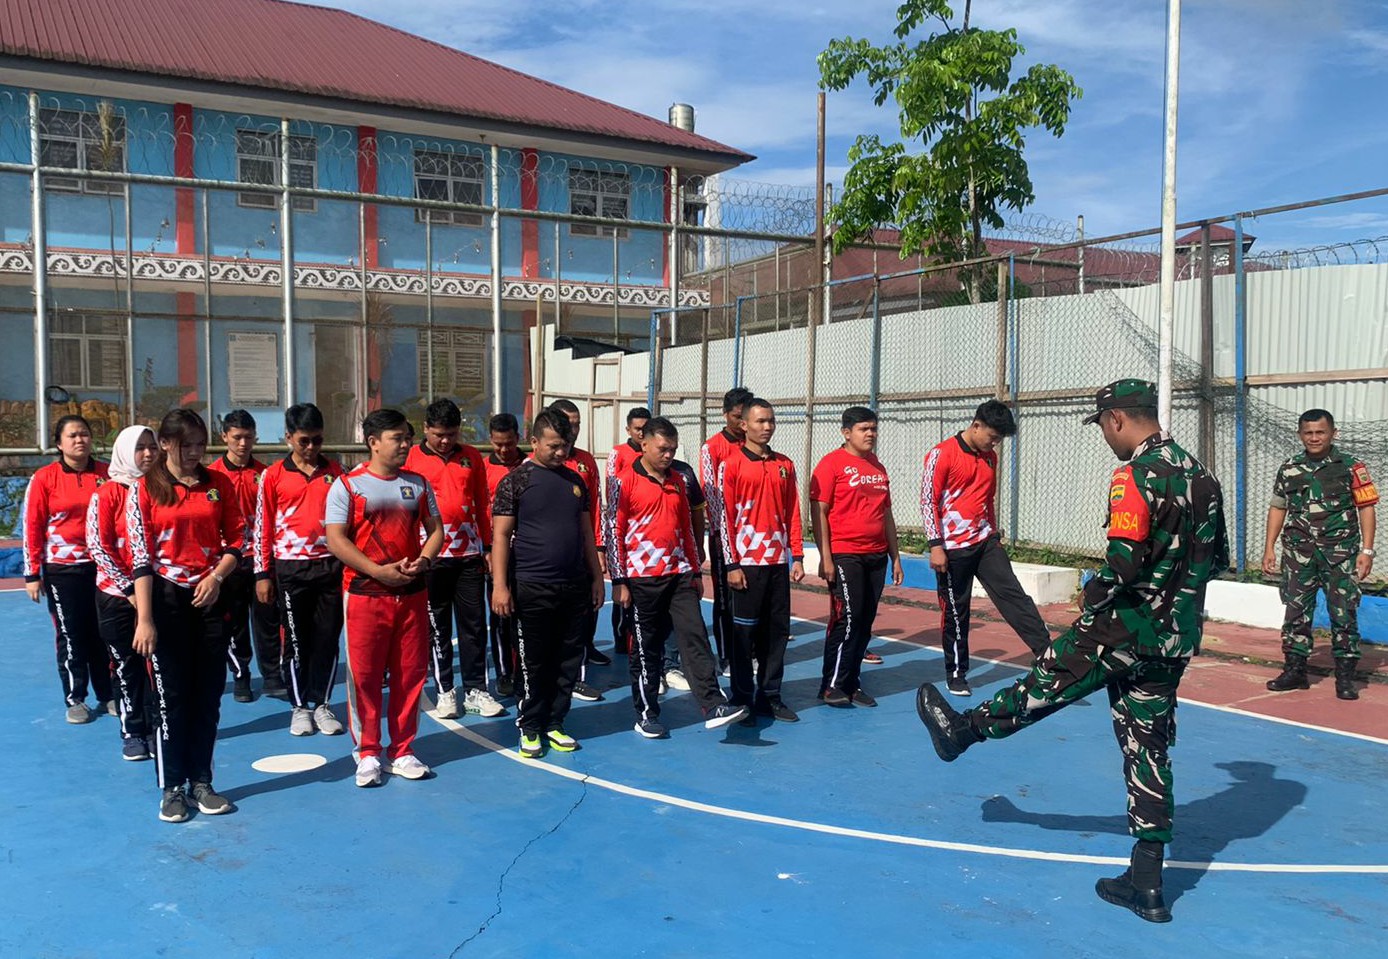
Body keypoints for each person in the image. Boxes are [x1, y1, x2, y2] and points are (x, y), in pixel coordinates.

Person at [914, 379, 1228, 923]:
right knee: (1148, 749)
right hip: (1175, 636)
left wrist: (1094, 595)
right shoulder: (1204, 478)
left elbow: (1124, 563)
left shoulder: (1134, 474)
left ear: (1116, 421)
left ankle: (960, 733)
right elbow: (1216, 558)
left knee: (1044, 686)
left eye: (1104, 427)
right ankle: (1148, 883)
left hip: (1123, 627)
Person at [129, 409, 245, 823]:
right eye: (186, 445)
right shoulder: (145, 489)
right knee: (172, 698)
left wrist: (216, 578)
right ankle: (172, 787)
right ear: (165, 445)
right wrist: (146, 618)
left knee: (208, 697)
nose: (195, 452)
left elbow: (236, 541)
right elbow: (140, 559)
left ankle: (202, 781)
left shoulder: (220, 485)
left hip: (210, 599)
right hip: (166, 601)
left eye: (200, 444)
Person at [607, 416, 748, 738]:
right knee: (647, 649)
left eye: (672, 449)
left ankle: (714, 704)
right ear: (643, 444)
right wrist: (619, 580)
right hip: (641, 579)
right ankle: (646, 713)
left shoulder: (679, 481)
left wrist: (696, 569)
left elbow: (686, 527)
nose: (668, 455)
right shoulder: (623, 482)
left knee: (695, 636)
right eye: (662, 449)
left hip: (680, 574)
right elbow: (613, 532)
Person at [326, 408, 443, 787]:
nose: (406, 445)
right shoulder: (348, 486)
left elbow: (436, 529)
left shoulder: (419, 484)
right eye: (398, 438)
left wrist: (424, 561)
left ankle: (403, 750)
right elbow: (336, 539)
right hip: (365, 594)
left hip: (411, 594)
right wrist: (377, 571)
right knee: (365, 677)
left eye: (408, 438)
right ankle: (368, 752)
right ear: (373, 442)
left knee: (411, 675)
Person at [491, 409, 605, 759]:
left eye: (566, 445)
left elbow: (586, 532)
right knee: (534, 661)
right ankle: (530, 725)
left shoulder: (576, 481)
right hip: (532, 585)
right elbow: (501, 534)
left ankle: (555, 721)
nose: (560, 452)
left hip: (573, 585)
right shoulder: (516, 481)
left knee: (568, 658)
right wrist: (500, 585)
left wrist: (597, 577)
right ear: (535, 442)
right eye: (553, 446)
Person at [920, 399, 1052, 695]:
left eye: (999, 439)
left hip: (985, 541)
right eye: (992, 436)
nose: (995, 443)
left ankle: (1047, 655)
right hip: (952, 548)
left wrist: (993, 531)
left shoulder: (990, 457)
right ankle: (956, 673)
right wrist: (935, 545)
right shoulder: (942, 454)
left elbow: (986, 498)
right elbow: (928, 501)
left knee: (1014, 595)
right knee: (957, 610)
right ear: (976, 425)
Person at [1262, 409, 1378, 700]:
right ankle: (1295, 670)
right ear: (1300, 434)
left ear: (1333, 433)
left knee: (1343, 613)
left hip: (1340, 554)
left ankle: (1346, 677)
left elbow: (1366, 508)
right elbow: (1278, 507)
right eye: (1308, 433)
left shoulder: (1351, 467)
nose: (1314, 438)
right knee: (1296, 612)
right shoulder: (1289, 467)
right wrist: (1269, 547)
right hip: (1299, 554)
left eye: (1320, 432)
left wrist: (1367, 550)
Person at [405, 399, 503, 720]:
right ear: (425, 430)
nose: (446, 440)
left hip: (469, 555)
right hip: (430, 557)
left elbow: (483, 504)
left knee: (474, 625)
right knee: (438, 627)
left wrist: (488, 546)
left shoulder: (471, 456)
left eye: (451, 433)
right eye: (439, 434)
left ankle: (476, 690)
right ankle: (445, 689)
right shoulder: (411, 459)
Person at [253, 404, 346, 737]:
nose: (310, 448)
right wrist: (262, 574)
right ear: (288, 437)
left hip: (331, 567)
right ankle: (300, 706)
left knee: (327, 640)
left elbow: (348, 522)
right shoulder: (273, 475)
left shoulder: (337, 471)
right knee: (295, 641)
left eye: (317, 441)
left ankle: (321, 703)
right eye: (304, 441)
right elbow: (261, 526)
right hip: (290, 569)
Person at [715, 397, 805, 723]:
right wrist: (731, 563)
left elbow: (793, 511)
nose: (766, 427)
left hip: (778, 562)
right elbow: (723, 517)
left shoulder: (785, 465)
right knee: (744, 635)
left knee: (776, 632)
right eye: (759, 421)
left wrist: (796, 555)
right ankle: (742, 697)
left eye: (770, 421)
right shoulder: (731, 464)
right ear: (744, 425)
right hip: (747, 564)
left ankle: (770, 696)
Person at [810, 406, 905, 708]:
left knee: (864, 622)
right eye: (864, 429)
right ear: (846, 432)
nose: (870, 434)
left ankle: (852, 683)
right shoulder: (831, 465)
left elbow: (886, 514)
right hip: (845, 553)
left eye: (874, 429)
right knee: (847, 620)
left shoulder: (878, 467)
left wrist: (896, 556)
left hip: (876, 555)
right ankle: (832, 684)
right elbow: (819, 511)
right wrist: (826, 557)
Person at [23, 414, 112, 724]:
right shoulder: (45, 478)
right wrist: (32, 573)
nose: (79, 440)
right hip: (62, 570)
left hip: (103, 568)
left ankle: (109, 694)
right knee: (72, 634)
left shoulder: (106, 474)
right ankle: (76, 698)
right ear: (59, 443)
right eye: (72, 435)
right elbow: (32, 526)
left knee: (104, 631)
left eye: (84, 434)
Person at [86, 425, 160, 760]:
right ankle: (133, 731)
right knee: (128, 665)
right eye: (139, 448)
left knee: (158, 665)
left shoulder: (161, 491)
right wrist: (130, 588)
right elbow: (99, 548)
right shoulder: (106, 494)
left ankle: (158, 724)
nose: (147, 454)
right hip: (117, 598)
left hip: (157, 595)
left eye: (152, 447)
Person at [208, 410, 281, 703]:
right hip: (228, 562)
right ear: (224, 436)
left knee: (267, 619)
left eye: (248, 437)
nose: (242, 443)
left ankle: (273, 675)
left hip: (261, 558)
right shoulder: (212, 475)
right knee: (233, 623)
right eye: (236, 437)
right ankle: (241, 676)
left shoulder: (265, 474)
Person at [549, 399, 611, 704]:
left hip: (581, 550)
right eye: (568, 422)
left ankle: (578, 675)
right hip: (549, 556)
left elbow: (596, 507)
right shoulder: (540, 462)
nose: (573, 428)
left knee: (585, 609)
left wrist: (599, 546)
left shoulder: (586, 460)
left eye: (577, 423)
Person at [700, 387, 753, 672]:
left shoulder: (754, 444)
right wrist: (724, 532)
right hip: (725, 535)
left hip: (753, 538)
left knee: (751, 596)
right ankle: (727, 655)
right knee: (726, 597)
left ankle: (750, 651)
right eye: (736, 417)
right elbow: (711, 495)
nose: (741, 422)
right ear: (725, 415)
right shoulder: (713, 447)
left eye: (745, 416)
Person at [483, 413, 524, 697]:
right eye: (497, 444)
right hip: (495, 552)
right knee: (500, 614)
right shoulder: (483, 468)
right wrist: (486, 548)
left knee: (525, 613)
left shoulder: (530, 466)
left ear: (518, 438)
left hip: (528, 553)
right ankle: (503, 672)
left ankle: (524, 668)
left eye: (508, 443)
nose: (503, 449)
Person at [605, 406, 651, 656]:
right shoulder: (619, 453)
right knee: (623, 595)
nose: (642, 433)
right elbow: (613, 489)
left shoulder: (655, 454)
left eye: (646, 428)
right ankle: (621, 640)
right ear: (628, 430)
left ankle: (641, 640)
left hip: (649, 541)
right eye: (637, 429)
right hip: (626, 534)